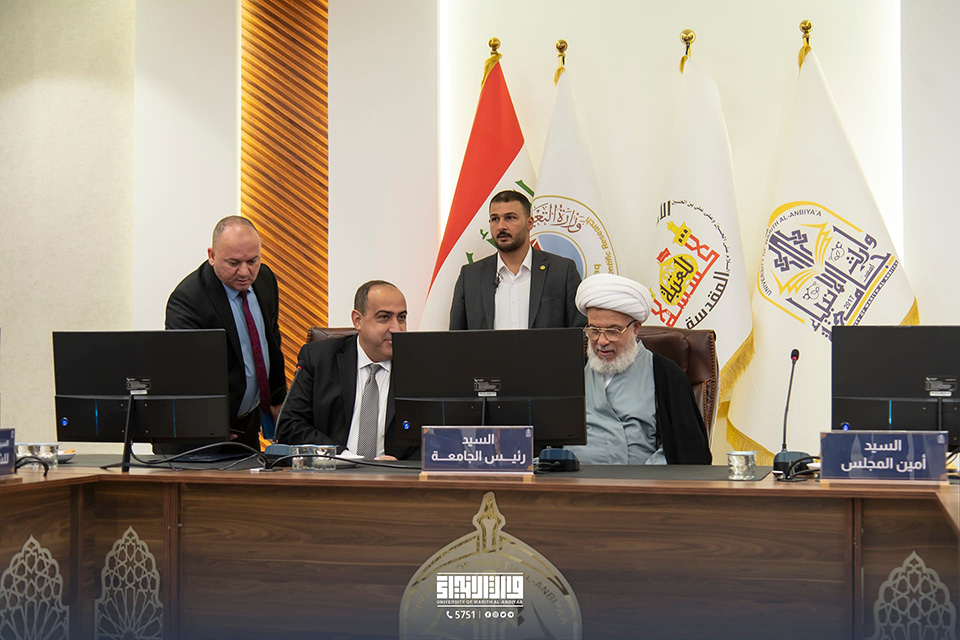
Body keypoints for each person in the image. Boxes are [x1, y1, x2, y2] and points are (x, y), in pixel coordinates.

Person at [165, 216, 286, 450]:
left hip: (247, 427)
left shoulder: (265, 279)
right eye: (233, 263)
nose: (245, 272)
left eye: (253, 261)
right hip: (201, 435)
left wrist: (277, 397)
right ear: (212, 256)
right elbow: (185, 373)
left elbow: (270, 340)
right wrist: (210, 423)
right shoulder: (188, 300)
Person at [564, 274, 712, 465]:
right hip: (571, 479)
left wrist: (643, 479)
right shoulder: (572, 371)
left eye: (613, 331)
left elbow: (686, 451)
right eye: (594, 330)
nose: (601, 341)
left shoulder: (665, 374)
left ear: (635, 328)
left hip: (641, 481)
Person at [274, 280, 417, 460]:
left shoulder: (420, 368)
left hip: (394, 475)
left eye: (401, 317)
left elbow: (439, 436)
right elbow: (289, 425)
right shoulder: (319, 359)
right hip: (332, 470)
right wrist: (341, 456)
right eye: (384, 317)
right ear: (358, 320)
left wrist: (401, 467)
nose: (396, 328)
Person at [449, 190, 585, 330]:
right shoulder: (470, 277)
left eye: (510, 218)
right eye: (495, 219)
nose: (501, 226)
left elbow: (579, 333)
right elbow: (455, 338)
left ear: (529, 223)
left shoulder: (562, 271)